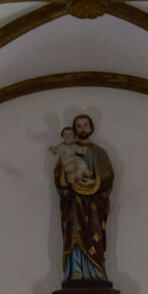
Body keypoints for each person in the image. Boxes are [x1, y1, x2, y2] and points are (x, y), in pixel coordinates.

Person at [54, 114, 114, 282]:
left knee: (95, 230)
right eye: (79, 126)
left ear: (91, 128)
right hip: (74, 198)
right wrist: (68, 178)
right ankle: (76, 270)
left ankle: (96, 272)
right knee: (74, 228)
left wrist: (95, 180)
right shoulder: (67, 151)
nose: (82, 129)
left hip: (95, 200)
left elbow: (108, 175)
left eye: (85, 125)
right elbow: (59, 175)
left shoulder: (100, 153)